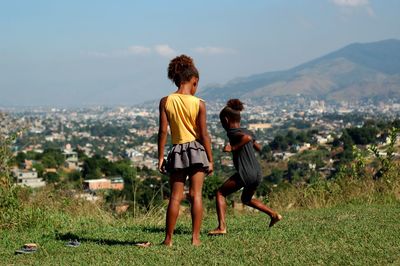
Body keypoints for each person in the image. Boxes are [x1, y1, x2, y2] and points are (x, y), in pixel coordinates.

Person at [158, 54, 213, 246]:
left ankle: (168, 239)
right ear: (194, 80)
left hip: (178, 151)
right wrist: (211, 159)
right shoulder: (199, 104)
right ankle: (195, 239)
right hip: (197, 150)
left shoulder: (166, 101)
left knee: (175, 196)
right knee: (195, 195)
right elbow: (204, 135)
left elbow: (163, 131)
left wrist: (160, 157)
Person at [209, 99, 282, 235]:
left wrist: (233, 148)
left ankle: (222, 227)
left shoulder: (232, 132)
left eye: (221, 121)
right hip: (257, 173)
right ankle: (273, 215)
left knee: (220, 193)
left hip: (246, 172)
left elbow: (247, 138)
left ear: (225, 120)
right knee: (246, 199)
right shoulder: (245, 130)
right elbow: (257, 146)